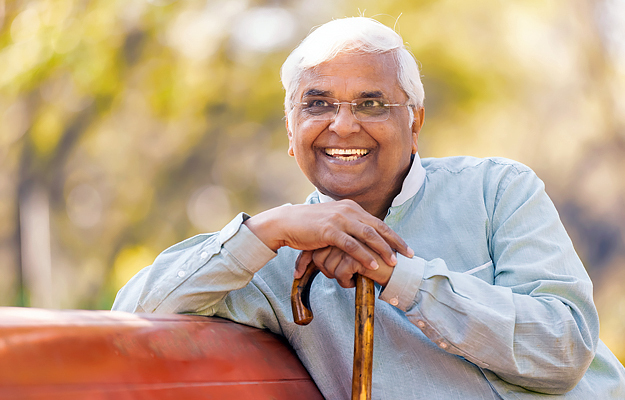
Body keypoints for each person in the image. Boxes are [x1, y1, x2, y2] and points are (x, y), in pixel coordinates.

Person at [112, 17, 625, 399]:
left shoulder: (497, 189)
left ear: (415, 122)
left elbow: (564, 347)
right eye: (317, 104)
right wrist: (266, 229)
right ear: (291, 133)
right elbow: (131, 317)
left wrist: (395, 274)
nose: (342, 126)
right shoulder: (272, 261)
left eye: (371, 104)